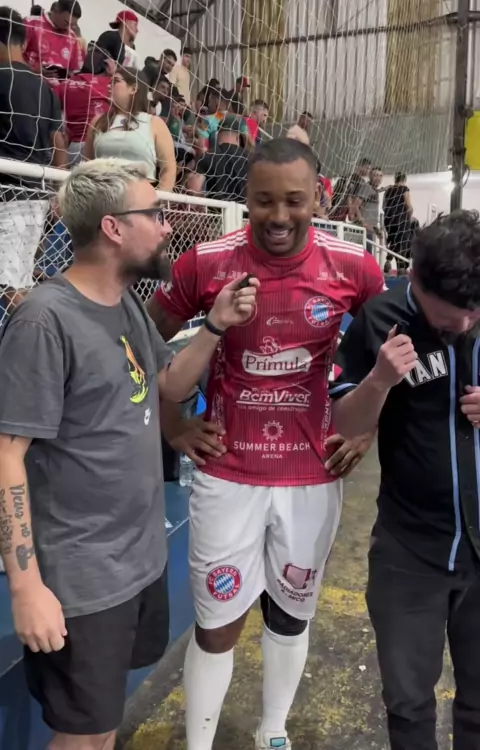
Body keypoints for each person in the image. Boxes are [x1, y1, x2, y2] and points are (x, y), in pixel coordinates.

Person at [0, 158, 258, 750]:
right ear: (114, 228)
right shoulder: (44, 322)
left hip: (138, 564)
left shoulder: (125, 305)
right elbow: (7, 455)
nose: (167, 226)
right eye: (155, 213)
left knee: (103, 727)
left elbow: (167, 384)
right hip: (83, 578)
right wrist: (26, 587)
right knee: (82, 737)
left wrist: (215, 325)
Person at [147, 138, 385, 750]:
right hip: (228, 474)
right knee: (216, 623)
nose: (279, 216)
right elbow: (145, 338)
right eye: (264, 201)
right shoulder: (206, 262)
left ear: (317, 199)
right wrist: (173, 425)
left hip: (312, 475)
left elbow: (392, 355)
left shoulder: (354, 267)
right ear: (246, 199)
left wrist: (365, 427)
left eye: (294, 201)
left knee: (291, 614)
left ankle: (272, 732)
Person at [329, 209, 480, 750]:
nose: (466, 325)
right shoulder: (381, 319)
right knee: (410, 703)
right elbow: (344, 425)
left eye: (474, 313)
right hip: (410, 551)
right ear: (413, 279)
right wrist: (379, 381)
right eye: (449, 319)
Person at [0, 7, 66, 309]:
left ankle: (43, 332)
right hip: (36, 197)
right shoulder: (45, 89)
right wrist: (56, 191)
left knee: (7, 286)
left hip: (7, 196)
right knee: (21, 279)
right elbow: (58, 141)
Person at [83, 67, 176, 190]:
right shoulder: (98, 121)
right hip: (102, 193)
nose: (109, 86)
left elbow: (168, 168)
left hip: (140, 196)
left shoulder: (154, 123)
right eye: (109, 82)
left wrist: (160, 197)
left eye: (116, 81)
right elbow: (87, 164)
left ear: (133, 88)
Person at [57, 49, 116, 166]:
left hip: (72, 148)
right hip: (97, 147)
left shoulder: (65, 85)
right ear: (107, 65)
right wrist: (114, 73)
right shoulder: (109, 84)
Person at [186, 115, 249, 200]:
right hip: (243, 207)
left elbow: (194, 189)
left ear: (217, 135)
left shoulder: (208, 156)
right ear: (238, 137)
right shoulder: (249, 158)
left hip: (215, 207)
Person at [23, 0, 84, 78]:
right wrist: (34, 69)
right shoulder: (30, 24)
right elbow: (11, 55)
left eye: (72, 25)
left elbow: (75, 71)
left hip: (57, 85)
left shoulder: (72, 38)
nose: (68, 27)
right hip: (27, 80)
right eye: (66, 22)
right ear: (56, 10)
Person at [383, 171, 414, 273]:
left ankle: (388, 260)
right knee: (402, 242)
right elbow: (409, 206)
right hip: (401, 219)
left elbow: (384, 206)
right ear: (404, 179)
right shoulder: (404, 189)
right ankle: (401, 267)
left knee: (393, 240)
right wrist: (409, 218)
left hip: (389, 220)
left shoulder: (388, 190)